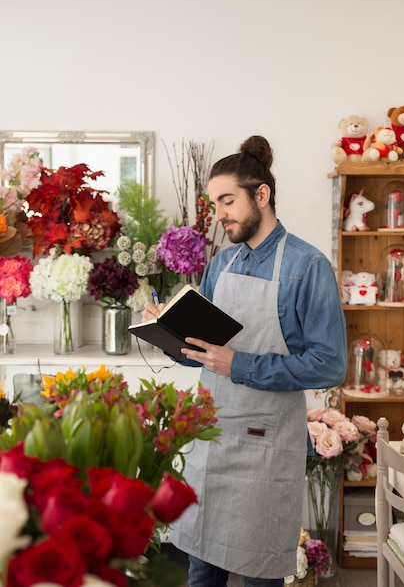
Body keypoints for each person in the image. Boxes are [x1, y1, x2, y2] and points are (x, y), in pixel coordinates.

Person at [142, 135, 347, 587]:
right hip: (211, 440)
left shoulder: (308, 267)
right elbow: (204, 354)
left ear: (262, 194)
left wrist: (241, 365)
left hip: (266, 451)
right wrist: (167, 334)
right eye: (214, 204)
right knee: (200, 572)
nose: (218, 215)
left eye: (227, 201)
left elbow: (330, 364)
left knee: (257, 577)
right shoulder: (221, 263)